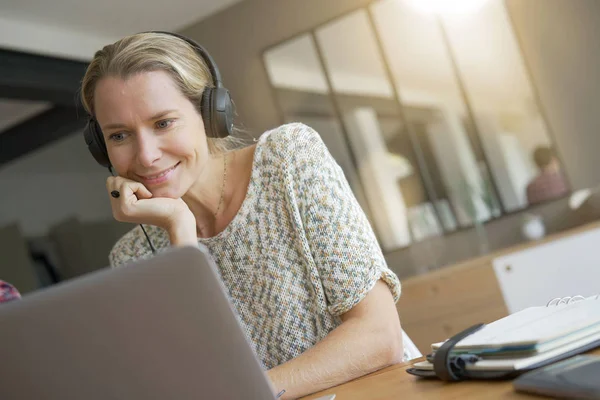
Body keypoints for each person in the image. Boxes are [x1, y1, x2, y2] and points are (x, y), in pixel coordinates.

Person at [80, 32, 410, 399]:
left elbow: (380, 336)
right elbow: (196, 386)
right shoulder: (132, 258)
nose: (146, 156)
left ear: (210, 115)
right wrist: (180, 232)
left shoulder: (287, 160)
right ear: (101, 147)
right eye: (120, 135)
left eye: (163, 123)